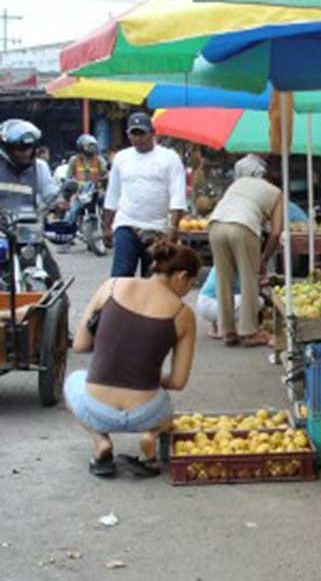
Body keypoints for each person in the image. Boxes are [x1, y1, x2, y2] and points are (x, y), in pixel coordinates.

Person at [65, 241, 199, 478]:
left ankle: (100, 442)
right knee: (167, 408)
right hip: (146, 414)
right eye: (191, 284)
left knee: (73, 381)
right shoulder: (183, 314)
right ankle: (150, 437)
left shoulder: (112, 286)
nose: (188, 290)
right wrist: (148, 375)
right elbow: (178, 382)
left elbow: (80, 345)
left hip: (97, 411)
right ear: (181, 276)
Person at [208, 154, 282, 347]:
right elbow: (275, 234)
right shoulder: (277, 193)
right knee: (249, 278)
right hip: (244, 226)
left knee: (223, 278)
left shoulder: (240, 183)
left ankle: (227, 331)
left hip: (216, 224)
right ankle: (249, 332)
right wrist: (263, 261)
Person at [103, 112, 187, 277]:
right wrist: (107, 226)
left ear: (152, 133)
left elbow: (177, 196)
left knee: (154, 278)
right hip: (127, 224)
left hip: (157, 228)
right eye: (134, 134)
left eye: (142, 133)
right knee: (121, 276)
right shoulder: (121, 158)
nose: (138, 138)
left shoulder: (169, 158)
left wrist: (173, 229)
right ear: (128, 135)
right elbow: (112, 194)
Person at [0, 119, 62, 277]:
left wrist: (59, 201)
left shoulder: (39, 167)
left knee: (55, 282)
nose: (25, 152)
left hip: (26, 230)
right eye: (20, 148)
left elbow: (50, 193)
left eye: (29, 147)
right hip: (1, 230)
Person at [63, 134, 108, 225]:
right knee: (72, 211)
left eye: (93, 145)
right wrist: (71, 186)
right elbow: (68, 177)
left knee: (105, 203)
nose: (92, 148)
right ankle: (68, 229)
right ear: (81, 146)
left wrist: (102, 181)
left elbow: (106, 174)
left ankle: (106, 226)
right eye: (89, 145)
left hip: (95, 192)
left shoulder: (99, 160)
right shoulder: (74, 160)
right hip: (79, 193)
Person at [196, 266, 241, 339]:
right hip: (212, 304)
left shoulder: (220, 263)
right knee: (256, 300)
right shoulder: (235, 267)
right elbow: (247, 288)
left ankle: (217, 325)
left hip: (203, 302)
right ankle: (224, 327)